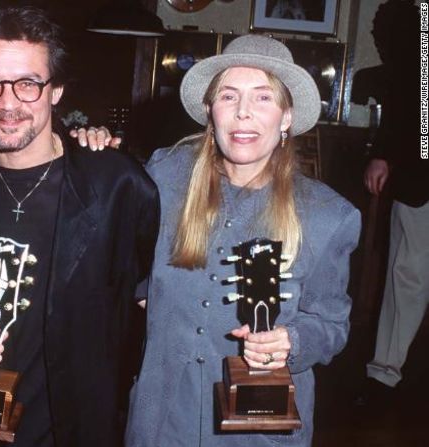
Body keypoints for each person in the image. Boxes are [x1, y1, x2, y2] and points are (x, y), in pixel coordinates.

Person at [0, 6, 159, 447]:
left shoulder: (117, 185)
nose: (7, 103)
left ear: (56, 91)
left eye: (28, 84)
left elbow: (151, 297)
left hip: (78, 430)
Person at [125, 35, 361, 446]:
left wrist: (294, 341)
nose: (243, 113)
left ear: (287, 116)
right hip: (162, 420)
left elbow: (332, 324)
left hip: (258, 431)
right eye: (229, 96)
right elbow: (117, 257)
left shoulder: (328, 216)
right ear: (209, 111)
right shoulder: (164, 177)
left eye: (264, 98)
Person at [363, 0, 428, 392]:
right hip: (422, 166)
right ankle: (384, 372)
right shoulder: (409, 15)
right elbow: (407, 89)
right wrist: (383, 152)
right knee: (409, 271)